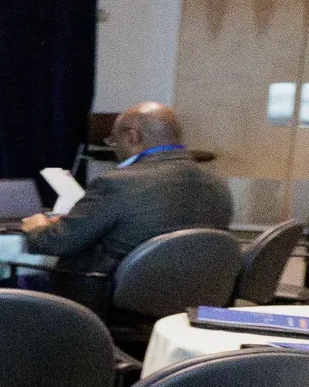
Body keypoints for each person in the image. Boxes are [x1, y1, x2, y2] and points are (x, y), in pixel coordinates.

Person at [20, 102, 227, 299]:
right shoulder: (217, 183)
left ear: (132, 136)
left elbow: (56, 243)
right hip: (192, 297)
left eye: (113, 141)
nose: (115, 149)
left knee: (16, 282)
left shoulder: (116, 183)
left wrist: (37, 228)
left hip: (109, 297)